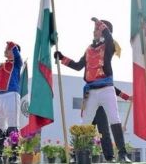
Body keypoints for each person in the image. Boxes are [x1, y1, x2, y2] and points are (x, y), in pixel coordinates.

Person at [54, 18, 131, 163]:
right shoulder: (89, 49)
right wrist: (62, 58)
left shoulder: (109, 46)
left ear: (103, 31)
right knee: (86, 123)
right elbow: (78, 66)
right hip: (91, 92)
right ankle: (77, 155)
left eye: (97, 28)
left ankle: (122, 154)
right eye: (95, 28)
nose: (94, 30)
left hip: (107, 89)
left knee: (115, 119)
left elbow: (109, 37)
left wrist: (101, 25)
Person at [93, 87, 132, 163]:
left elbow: (112, 88)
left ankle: (110, 157)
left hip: (101, 107)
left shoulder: (106, 81)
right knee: (84, 132)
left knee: (104, 132)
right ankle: (76, 155)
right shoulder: (90, 80)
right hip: (90, 106)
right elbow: (87, 91)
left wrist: (127, 97)